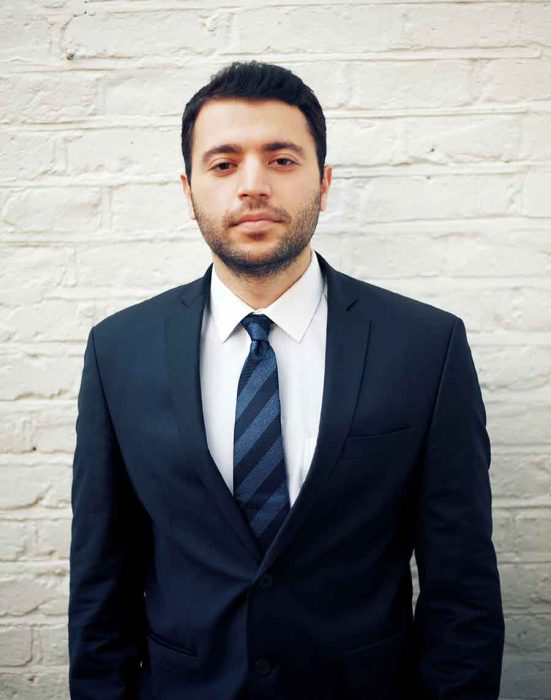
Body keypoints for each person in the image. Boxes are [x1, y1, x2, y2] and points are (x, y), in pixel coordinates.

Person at [68, 61, 505, 700]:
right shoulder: (118, 350)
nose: (252, 186)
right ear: (187, 190)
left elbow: (461, 583)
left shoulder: (425, 346)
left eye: (281, 160)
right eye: (223, 164)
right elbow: (100, 578)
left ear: (324, 184)